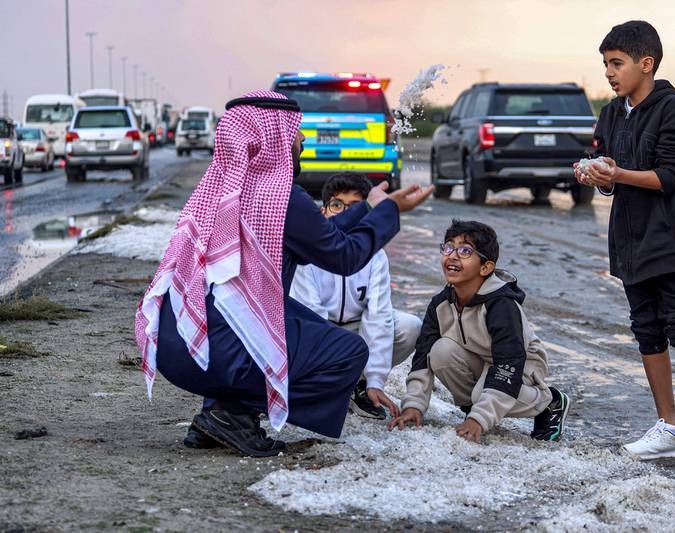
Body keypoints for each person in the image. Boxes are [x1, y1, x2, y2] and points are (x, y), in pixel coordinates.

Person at [134, 90, 432, 457]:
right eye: (296, 132)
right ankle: (235, 415)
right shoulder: (281, 199)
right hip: (219, 352)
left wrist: (368, 208)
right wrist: (389, 212)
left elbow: (322, 234)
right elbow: (343, 256)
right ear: (272, 138)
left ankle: (218, 412)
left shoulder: (220, 190)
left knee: (287, 324)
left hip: (178, 347)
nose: (303, 139)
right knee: (348, 352)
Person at [575, 21, 675, 469]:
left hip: (673, 238)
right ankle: (668, 427)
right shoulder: (612, 113)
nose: (609, 73)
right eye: (605, 65)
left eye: (616, 64)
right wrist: (594, 174)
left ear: (646, 63)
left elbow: (673, 177)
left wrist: (615, 175)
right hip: (631, 241)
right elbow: (609, 174)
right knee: (647, 330)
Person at [388, 220, 570, 443]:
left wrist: (479, 419)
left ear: (486, 267)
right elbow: (422, 361)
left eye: (465, 251)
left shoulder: (501, 306)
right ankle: (476, 404)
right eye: (448, 247)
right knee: (439, 351)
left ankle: (549, 402)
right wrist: (413, 407)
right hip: (480, 360)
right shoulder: (440, 304)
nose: (453, 255)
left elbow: (508, 365)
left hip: (521, 365)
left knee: (482, 393)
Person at [290, 173, 422, 420]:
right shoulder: (308, 254)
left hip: (354, 327)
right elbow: (312, 317)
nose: (344, 214)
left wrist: (375, 379)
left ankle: (359, 387)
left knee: (409, 326)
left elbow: (378, 315)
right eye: (337, 205)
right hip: (317, 330)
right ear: (324, 210)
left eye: (355, 207)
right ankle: (327, 387)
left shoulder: (375, 256)